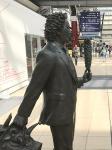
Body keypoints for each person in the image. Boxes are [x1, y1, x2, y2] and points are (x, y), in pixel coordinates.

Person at [11, 13, 92, 150]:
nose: (70, 31)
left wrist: (81, 80)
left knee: (66, 146)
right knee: (64, 147)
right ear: (58, 31)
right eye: (67, 27)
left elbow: (64, 80)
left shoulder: (63, 52)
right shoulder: (47, 54)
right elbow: (34, 88)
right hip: (58, 112)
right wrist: (22, 115)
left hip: (68, 109)